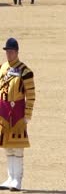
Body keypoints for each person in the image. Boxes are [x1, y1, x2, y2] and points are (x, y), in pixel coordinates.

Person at [0, 38, 35, 191]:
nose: (9, 54)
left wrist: (27, 114)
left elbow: (31, 94)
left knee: (18, 147)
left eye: (12, 51)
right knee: (7, 147)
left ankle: (17, 180)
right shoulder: (2, 68)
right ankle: (10, 178)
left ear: (17, 52)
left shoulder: (25, 71)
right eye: (7, 51)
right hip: (3, 112)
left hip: (18, 112)